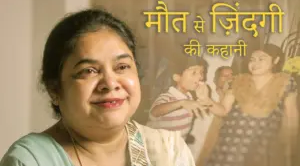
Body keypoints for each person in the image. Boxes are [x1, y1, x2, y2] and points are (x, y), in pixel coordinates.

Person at [0, 9, 195, 166]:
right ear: (54, 89)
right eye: (89, 71)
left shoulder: (169, 151)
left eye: (122, 67)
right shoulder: (29, 160)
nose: (110, 83)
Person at [198, 44, 299, 166]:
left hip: (262, 151)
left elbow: (292, 119)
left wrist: (290, 152)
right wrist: (206, 100)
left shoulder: (285, 82)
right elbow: (223, 110)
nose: (255, 63)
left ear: (275, 60)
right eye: (252, 59)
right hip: (228, 148)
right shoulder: (238, 81)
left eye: (261, 59)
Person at [146, 59, 209, 158]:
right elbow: (155, 111)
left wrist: (203, 98)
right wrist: (181, 103)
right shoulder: (168, 96)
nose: (200, 77)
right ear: (177, 77)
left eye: (201, 73)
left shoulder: (189, 98)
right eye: (194, 73)